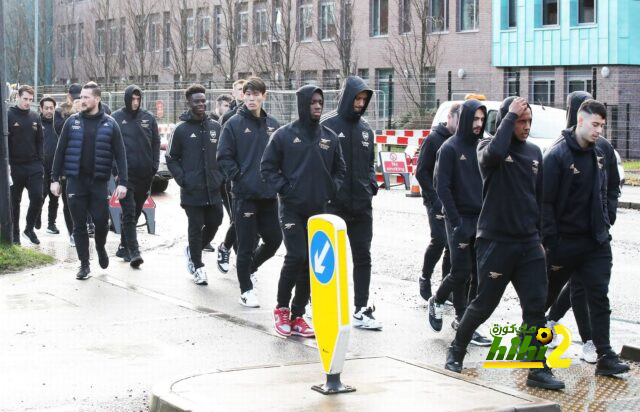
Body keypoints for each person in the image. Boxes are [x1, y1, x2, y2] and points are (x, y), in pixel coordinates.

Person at [445, 96, 564, 389]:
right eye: (520, 121)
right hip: (496, 242)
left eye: (528, 122)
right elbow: (493, 155)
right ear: (507, 121)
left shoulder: (536, 152)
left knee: (536, 309)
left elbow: (539, 198)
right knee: (484, 304)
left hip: (528, 244)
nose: (525, 127)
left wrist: (541, 240)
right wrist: (509, 115)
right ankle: (456, 349)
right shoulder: (488, 148)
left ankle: (536, 368)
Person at [542, 99, 630, 377]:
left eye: (602, 125)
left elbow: (610, 188)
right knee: (543, 296)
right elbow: (544, 202)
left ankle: (604, 354)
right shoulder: (557, 155)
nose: (599, 131)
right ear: (580, 121)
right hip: (564, 243)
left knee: (598, 297)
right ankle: (530, 350)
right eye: (595, 124)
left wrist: (607, 219)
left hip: (596, 241)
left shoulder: (601, 150)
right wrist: (551, 241)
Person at [262, 85, 345, 337]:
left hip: (318, 211)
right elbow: (267, 168)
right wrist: (285, 189)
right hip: (291, 209)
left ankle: (298, 314)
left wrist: (331, 189)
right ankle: (281, 309)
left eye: (320, 102)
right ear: (302, 104)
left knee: (311, 263)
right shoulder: (283, 136)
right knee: (296, 255)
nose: (318, 106)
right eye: (313, 102)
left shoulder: (329, 137)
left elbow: (340, 170)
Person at [428, 99, 491, 346]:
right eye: (474, 119)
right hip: (458, 219)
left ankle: (464, 321)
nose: (478, 124)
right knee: (460, 272)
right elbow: (441, 186)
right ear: (465, 118)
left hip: (481, 220)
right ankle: (438, 299)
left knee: (478, 274)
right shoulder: (449, 148)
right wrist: (454, 222)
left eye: (481, 119)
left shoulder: (483, 146)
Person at [320, 76, 382, 330]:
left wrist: (371, 183)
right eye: (357, 98)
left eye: (364, 99)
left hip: (362, 206)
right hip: (333, 206)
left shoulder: (367, 130)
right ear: (347, 97)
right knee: (330, 260)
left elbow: (369, 163)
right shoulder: (327, 126)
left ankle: (361, 309)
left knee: (363, 257)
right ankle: (322, 306)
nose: (360, 103)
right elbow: (318, 163)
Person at [50, 82, 128, 279]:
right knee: (79, 225)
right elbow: (60, 152)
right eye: (81, 97)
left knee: (102, 223)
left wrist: (123, 182)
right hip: (75, 181)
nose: (81, 100)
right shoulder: (71, 122)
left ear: (97, 99)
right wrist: (55, 178)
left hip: (99, 182)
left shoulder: (110, 124)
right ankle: (84, 264)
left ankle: (101, 247)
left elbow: (121, 155)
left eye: (86, 97)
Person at [217, 77, 282, 307]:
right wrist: (240, 177)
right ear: (243, 96)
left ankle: (250, 268)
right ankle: (246, 289)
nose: (252, 98)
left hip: (268, 195)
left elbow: (282, 155)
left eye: (256, 94)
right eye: (248, 94)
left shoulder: (273, 124)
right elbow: (223, 156)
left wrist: (278, 181)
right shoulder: (233, 124)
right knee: (245, 245)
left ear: (264, 96)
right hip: (244, 195)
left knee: (275, 239)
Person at [166, 84, 225, 285]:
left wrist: (221, 176)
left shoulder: (215, 127)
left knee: (216, 220)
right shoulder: (180, 130)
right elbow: (171, 158)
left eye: (203, 100)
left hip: (214, 188)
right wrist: (183, 179)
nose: (201, 104)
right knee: (195, 225)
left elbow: (224, 154)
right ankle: (198, 267)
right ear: (188, 102)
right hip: (192, 190)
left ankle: (193, 250)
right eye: (196, 101)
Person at [112, 85, 160, 268]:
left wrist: (154, 166)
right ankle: (134, 252)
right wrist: (116, 172)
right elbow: (111, 148)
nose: (135, 102)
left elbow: (155, 143)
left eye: (138, 99)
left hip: (145, 175)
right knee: (129, 212)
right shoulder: (116, 118)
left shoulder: (148, 118)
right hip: (125, 176)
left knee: (136, 212)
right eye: (132, 99)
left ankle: (123, 246)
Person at [415, 103, 459, 301]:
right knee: (439, 239)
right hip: (435, 199)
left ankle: (445, 287)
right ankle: (425, 276)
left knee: (452, 245)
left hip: (453, 200)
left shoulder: (460, 140)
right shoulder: (433, 139)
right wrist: (433, 198)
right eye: (459, 119)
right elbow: (421, 172)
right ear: (450, 117)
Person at [8, 85, 44, 245]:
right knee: (14, 202)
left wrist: (41, 162)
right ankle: (15, 235)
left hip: (33, 165)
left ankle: (29, 228)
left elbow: (40, 141)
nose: (28, 102)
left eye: (30, 99)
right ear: (18, 97)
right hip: (15, 166)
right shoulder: (8, 115)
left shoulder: (35, 116)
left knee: (38, 196)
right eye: (25, 99)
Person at [56, 83, 85, 246]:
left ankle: (83, 227)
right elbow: (60, 132)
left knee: (84, 199)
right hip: (68, 163)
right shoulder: (61, 111)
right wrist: (73, 113)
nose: (77, 100)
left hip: (84, 163)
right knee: (69, 201)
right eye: (75, 97)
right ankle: (72, 232)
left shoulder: (87, 109)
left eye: (80, 97)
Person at [203, 93, 233, 254]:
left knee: (231, 212)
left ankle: (232, 241)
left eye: (229, 106)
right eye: (225, 106)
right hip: (213, 174)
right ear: (218, 106)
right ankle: (204, 240)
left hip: (224, 175)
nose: (228, 109)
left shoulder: (228, 122)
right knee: (210, 212)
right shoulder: (210, 122)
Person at [38, 96, 65, 235]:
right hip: (40, 167)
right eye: (46, 108)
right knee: (40, 195)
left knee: (54, 197)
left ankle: (51, 224)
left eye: (51, 108)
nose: (49, 111)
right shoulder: (36, 123)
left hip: (56, 168)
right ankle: (36, 216)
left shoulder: (59, 124)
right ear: (41, 109)